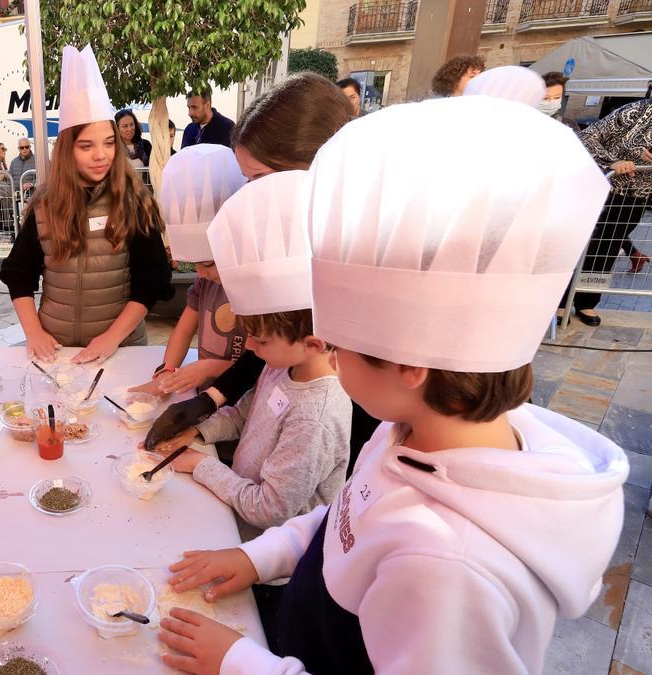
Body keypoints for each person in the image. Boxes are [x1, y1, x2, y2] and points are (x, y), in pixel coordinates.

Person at [156, 95, 628, 675]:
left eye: (337, 340)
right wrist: (262, 555)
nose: (326, 351)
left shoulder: (447, 565)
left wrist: (241, 665)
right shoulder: (410, 431)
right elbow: (345, 521)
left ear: (409, 363)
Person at [146, 73, 376, 474]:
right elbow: (271, 351)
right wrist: (211, 399)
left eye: (258, 180)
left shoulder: (356, 254)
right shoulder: (300, 232)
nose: (249, 195)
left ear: (314, 164)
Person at [150, 170, 350, 541]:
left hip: (268, 553)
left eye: (259, 341)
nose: (251, 352)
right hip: (236, 516)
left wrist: (201, 466)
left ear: (314, 342)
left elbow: (270, 508)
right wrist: (198, 429)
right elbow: (246, 413)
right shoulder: (282, 366)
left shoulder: (314, 418)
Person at [0, 44, 173, 364]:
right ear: (68, 149)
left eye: (109, 143)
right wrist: (34, 333)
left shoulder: (135, 201)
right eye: (86, 145)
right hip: (58, 351)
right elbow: (18, 274)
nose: (100, 155)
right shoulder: (44, 204)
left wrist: (110, 339)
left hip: (120, 350)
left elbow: (153, 280)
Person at [130, 144, 247, 399]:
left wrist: (209, 367)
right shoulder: (206, 283)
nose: (201, 273)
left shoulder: (254, 291)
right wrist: (167, 370)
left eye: (208, 264)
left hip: (241, 398)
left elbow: (261, 365)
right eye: (195, 265)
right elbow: (183, 330)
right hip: (205, 394)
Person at [568, 98, 652, 323]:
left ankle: (586, 302)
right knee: (577, 244)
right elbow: (588, 136)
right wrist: (613, 162)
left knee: (608, 249)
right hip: (603, 186)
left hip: (637, 197)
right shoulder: (637, 110)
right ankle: (559, 301)